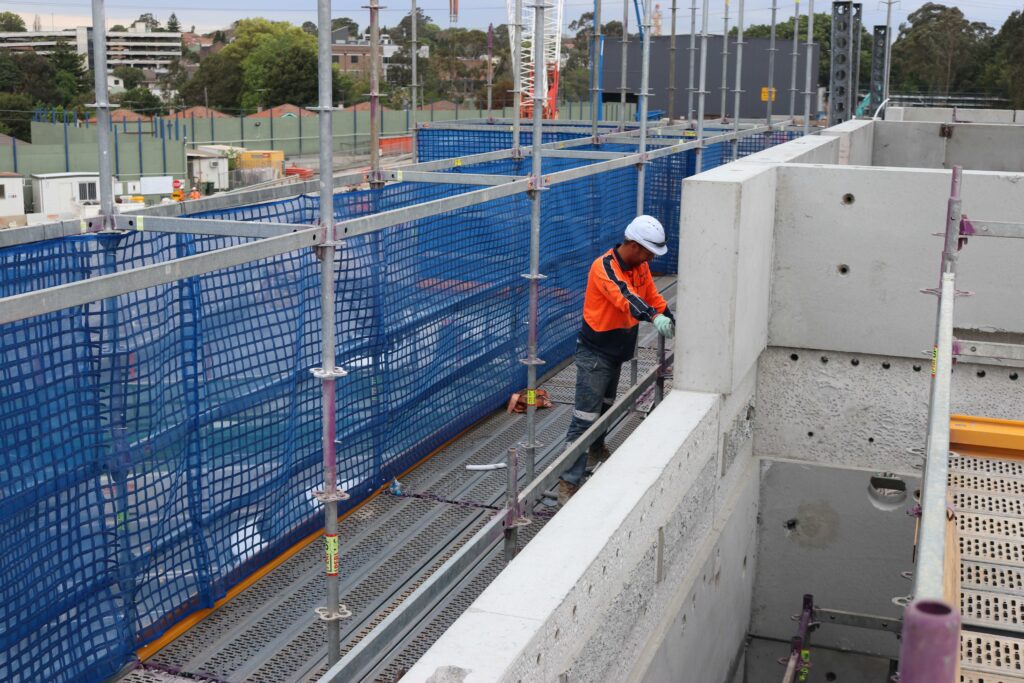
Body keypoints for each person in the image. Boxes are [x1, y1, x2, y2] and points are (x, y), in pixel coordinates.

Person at [557, 215, 675, 505]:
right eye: (648, 252)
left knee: (606, 410)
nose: (650, 258)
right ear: (634, 245)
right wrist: (653, 317)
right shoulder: (604, 267)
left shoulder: (640, 266)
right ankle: (568, 482)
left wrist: (668, 316)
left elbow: (650, 295)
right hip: (596, 353)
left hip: (618, 350)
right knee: (584, 418)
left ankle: (596, 452)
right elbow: (626, 297)